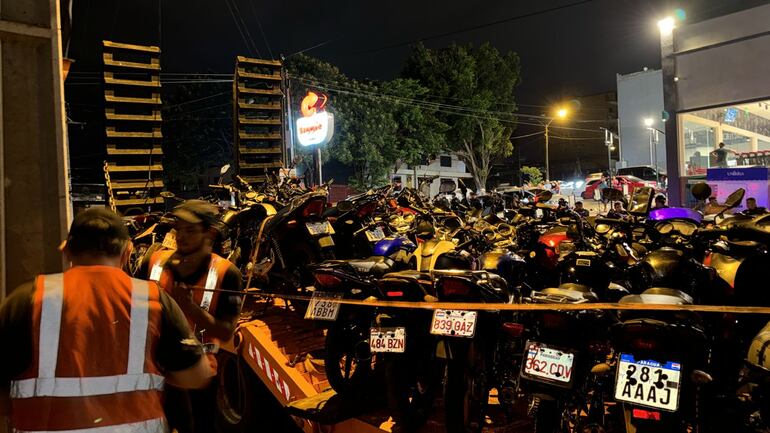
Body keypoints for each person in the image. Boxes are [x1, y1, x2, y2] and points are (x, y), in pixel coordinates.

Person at [0, 208, 213, 433]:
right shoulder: (153, 300)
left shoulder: (26, 300)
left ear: (66, 251)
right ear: (127, 252)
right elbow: (196, 376)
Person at [146, 200, 243, 433]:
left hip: (199, 376)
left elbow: (226, 331)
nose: (181, 236)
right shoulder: (154, 262)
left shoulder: (227, 273)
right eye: (178, 229)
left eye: (190, 230)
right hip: (157, 372)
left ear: (208, 233)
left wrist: (188, 307)